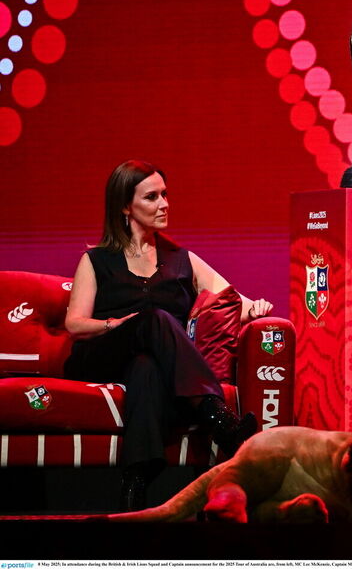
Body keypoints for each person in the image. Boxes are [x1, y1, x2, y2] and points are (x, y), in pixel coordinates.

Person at [63, 160, 273, 511]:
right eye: (152, 197)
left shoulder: (181, 260)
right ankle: (216, 416)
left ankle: (136, 484)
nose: (164, 204)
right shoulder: (97, 260)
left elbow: (233, 300)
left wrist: (258, 309)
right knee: (154, 320)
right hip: (102, 355)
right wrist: (119, 324)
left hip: (154, 366)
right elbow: (75, 324)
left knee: (145, 366)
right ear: (125, 206)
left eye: (165, 194)